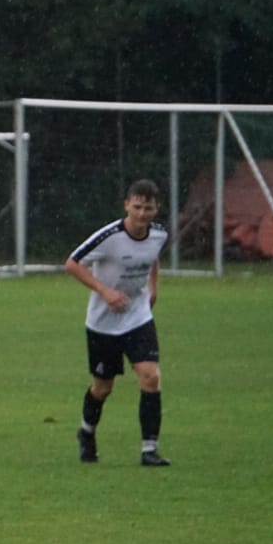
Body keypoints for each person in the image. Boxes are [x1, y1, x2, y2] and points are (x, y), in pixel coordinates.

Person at [64, 179, 171, 466]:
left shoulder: (159, 234)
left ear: (156, 208)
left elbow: (153, 258)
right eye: (137, 207)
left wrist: (154, 286)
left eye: (148, 208)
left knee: (151, 376)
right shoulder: (108, 237)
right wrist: (105, 291)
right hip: (103, 322)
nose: (142, 214)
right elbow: (72, 263)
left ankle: (150, 449)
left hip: (138, 317)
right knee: (103, 387)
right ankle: (86, 433)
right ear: (126, 205)